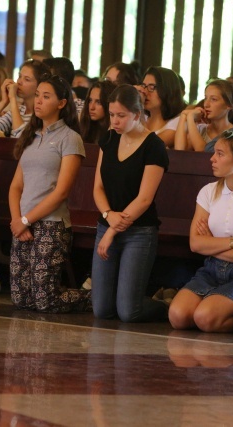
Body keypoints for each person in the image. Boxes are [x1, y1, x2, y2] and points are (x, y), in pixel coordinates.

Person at [168, 130, 233, 332]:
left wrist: (211, 244)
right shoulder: (208, 191)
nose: (212, 158)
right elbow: (195, 244)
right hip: (212, 269)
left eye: (219, 153)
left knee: (205, 318)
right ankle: (219, 305)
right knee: (178, 316)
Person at [8, 74, 90, 312]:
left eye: (46, 97)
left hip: (51, 224)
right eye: (37, 96)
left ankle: (97, 297)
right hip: (22, 225)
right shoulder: (30, 136)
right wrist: (16, 220)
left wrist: (26, 220)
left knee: (45, 300)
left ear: (62, 103)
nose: (39, 102)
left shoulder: (70, 138)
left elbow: (62, 191)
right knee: (21, 298)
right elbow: (15, 186)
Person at [92, 84, 169, 322]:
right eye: (112, 115)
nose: (114, 121)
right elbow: (98, 187)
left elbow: (145, 199)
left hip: (139, 231)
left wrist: (111, 231)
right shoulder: (109, 139)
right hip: (109, 222)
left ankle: (167, 306)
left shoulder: (153, 145)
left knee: (128, 312)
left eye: (121, 116)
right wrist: (107, 215)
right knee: (102, 310)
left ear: (137, 114)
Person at [0, 59, 50, 137]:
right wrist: (3, 102)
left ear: (40, 85)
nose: (19, 82)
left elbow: (21, 138)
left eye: (27, 79)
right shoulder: (18, 110)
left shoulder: (42, 115)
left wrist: (12, 98)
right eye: (19, 76)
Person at [175, 79, 233, 152]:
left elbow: (203, 151)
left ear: (229, 105)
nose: (206, 104)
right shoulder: (200, 129)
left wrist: (190, 118)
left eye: (213, 99)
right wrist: (183, 115)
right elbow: (179, 151)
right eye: (205, 98)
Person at [137, 66, 186, 147]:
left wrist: (139, 106)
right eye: (144, 86)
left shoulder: (178, 122)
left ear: (167, 90)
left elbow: (148, 146)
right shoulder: (142, 117)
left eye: (151, 87)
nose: (145, 92)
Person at [79, 80, 116, 144]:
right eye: (90, 101)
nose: (91, 107)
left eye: (98, 102)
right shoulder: (84, 126)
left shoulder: (115, 132)